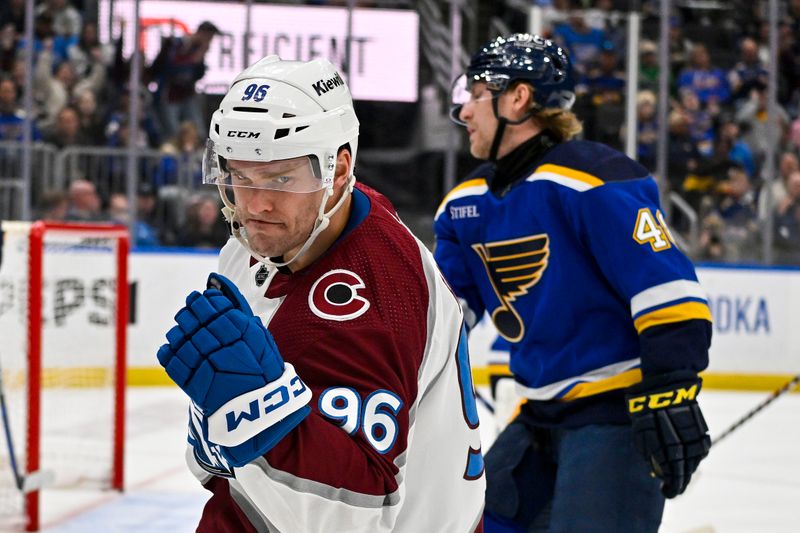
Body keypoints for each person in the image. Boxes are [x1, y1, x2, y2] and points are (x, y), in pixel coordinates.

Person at [156, 55, 485, 532]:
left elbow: (358, 515)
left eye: (281, 178)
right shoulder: (276, 236)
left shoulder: (373, 296)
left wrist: (256, 420)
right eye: (239, 176)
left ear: (339, 169)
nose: (255, 204)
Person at [436, 33, 712, 532]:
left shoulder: (595, 179)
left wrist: (672, 387)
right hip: (540, 414)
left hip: (616, 415)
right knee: (470, 520)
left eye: (476, 94)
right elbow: (440, 317)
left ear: (517, 98)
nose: (466, 112)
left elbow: (668, 291)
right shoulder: (463, 205)